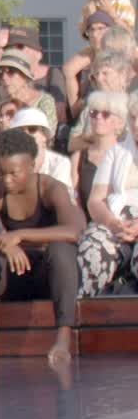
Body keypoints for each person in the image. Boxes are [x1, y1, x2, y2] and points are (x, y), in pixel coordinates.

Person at [0, 130, 83, 365]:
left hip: (47, 276)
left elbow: (73, 230)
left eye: (14, 173)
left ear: (32, 165)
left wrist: (18, 235)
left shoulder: (52, 188)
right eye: (1, 172)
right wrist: (1, 243)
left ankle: (63, 338)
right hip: (10, 275)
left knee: (62, 250)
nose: (6, 180)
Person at [76, 91, 138, 297]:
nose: (137, 125)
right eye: (134, 118)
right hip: (115, 221)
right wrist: (113, 223)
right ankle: (87, 320)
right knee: (92, 247)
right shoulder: (117, 152)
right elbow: (95, 201)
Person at [0, 49, 57, 129]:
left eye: (10, 71)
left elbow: (47, 134)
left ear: (25, 76)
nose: (4, 77)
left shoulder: (44, 101)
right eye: (1, 72)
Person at [8, 108, 74, 192]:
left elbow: (56, 197)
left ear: (44, 136)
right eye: (19, 131)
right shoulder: (5, 162)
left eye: (32, 129)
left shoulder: (60, 162)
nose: (25, 134)